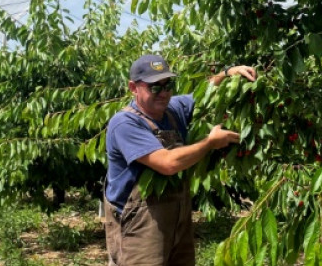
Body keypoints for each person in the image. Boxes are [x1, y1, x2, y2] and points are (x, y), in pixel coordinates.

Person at [103, 53, 256, 266]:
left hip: (178, 221)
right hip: (139, 227)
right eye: (154, 87)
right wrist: (210, 143)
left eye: (168, 85)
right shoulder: (125, 123)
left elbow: (205, 93)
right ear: (133, 87)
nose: (163, 93)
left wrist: (229, 73)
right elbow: (167, 163)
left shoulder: (172, 110)